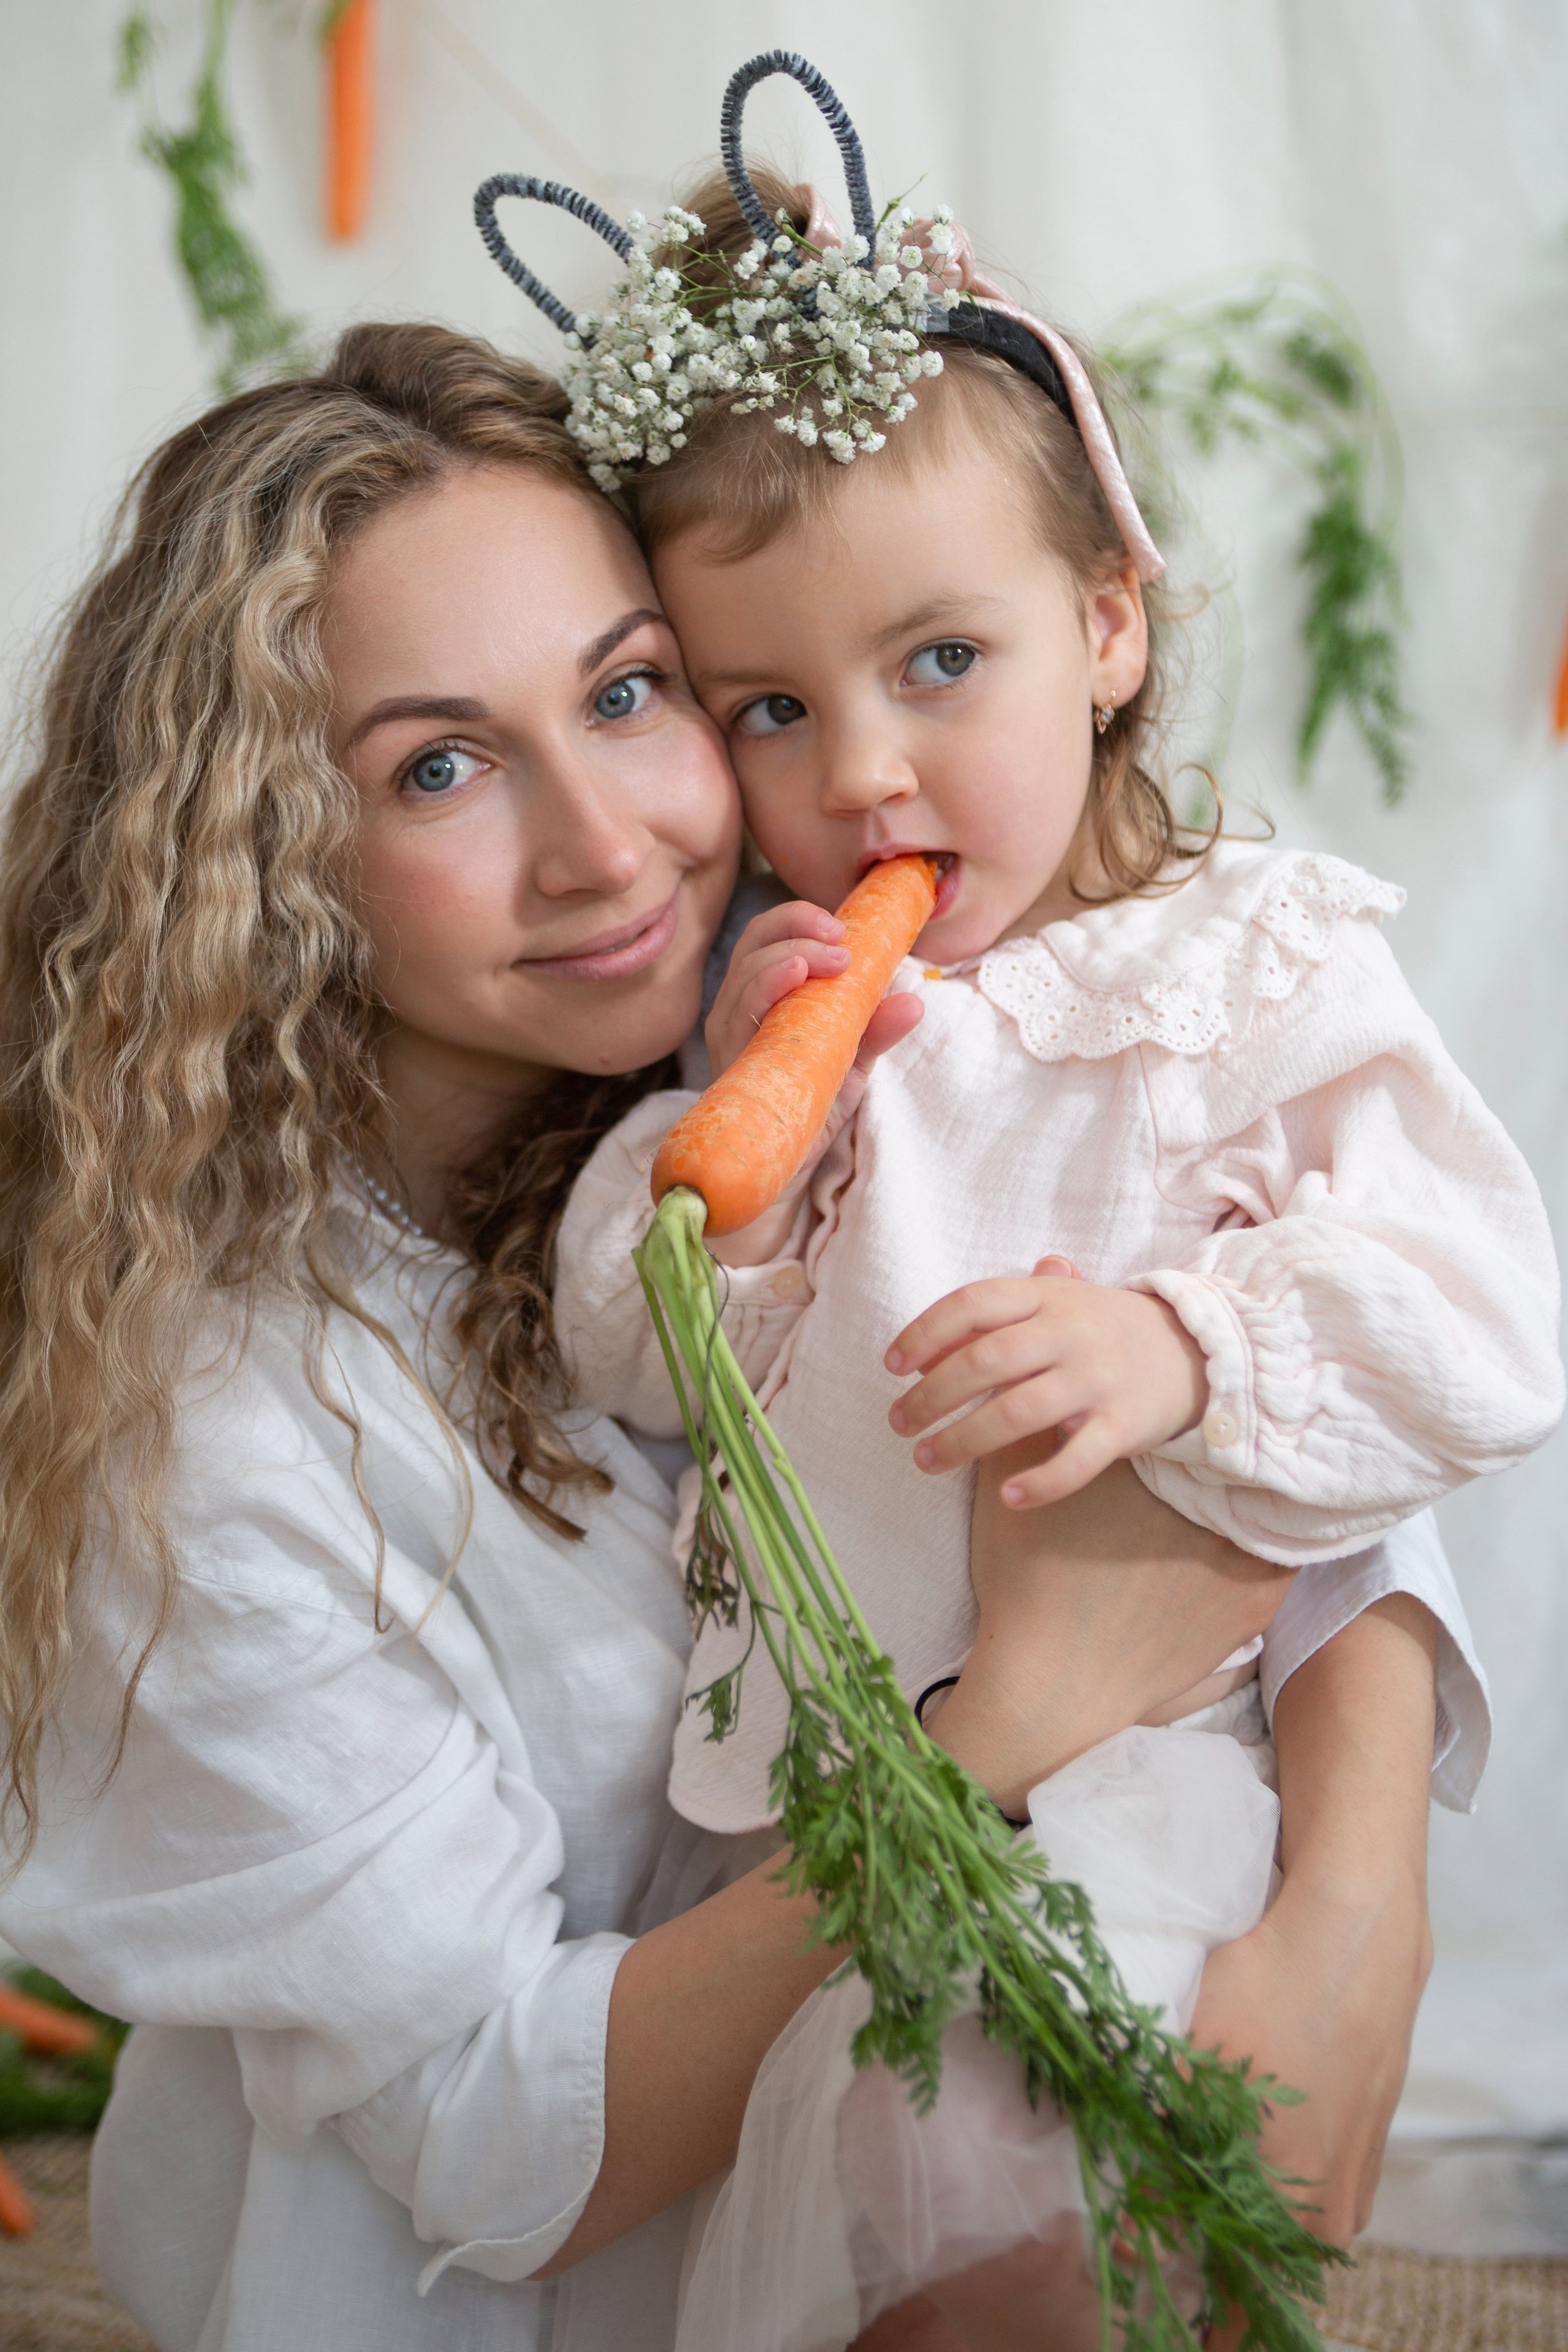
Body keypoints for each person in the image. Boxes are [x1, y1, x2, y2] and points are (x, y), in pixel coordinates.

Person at [0, 319, 1474, 2352]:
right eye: (438, 765)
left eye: (629, 696)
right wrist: (1011, 1723)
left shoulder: (836, 1027)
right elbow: (500, 2151)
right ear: (269, 863)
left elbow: (1312, 1362)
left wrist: (1357, 1909)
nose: (609, 847)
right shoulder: (212, 1436)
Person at [540, 128, 1563, 2343]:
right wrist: (722, 1113)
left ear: (1107, 623)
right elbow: (622, 1354)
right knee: (859, 2229)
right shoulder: (791, 1009)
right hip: (830, 1814)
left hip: (1145, 1779)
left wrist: (1191, 1346)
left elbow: (1492, 1319)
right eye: (774, 711)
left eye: (940, 662)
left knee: (1022, 2208)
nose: (870, 776)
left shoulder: (1246, 966)